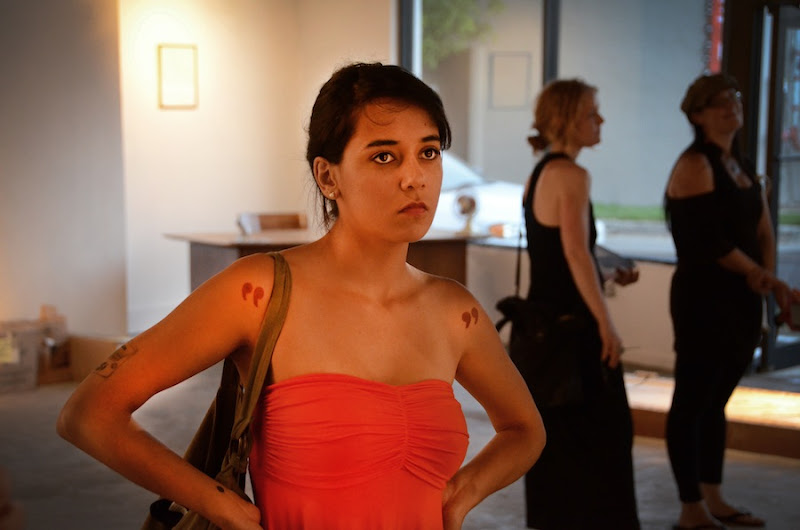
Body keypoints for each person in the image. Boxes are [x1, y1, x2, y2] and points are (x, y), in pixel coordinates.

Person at [56, 62, 545, 530]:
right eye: (384, 156)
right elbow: (90, 413)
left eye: (429, 152)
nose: (414, 177)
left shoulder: (454, 312)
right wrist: (219, 504)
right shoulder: (259, 292)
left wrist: (462, 494)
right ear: (328, 176)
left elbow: (524, 429)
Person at [664, 73, 795, 530]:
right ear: (698, 115)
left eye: (734, 98)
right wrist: (759, 275)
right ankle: (690, 507)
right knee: (692, 400)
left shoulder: (739, 163)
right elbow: (710, 242)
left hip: (741, 297)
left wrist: (769, 279)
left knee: (716, 399)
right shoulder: (695, 164)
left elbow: (762, 229)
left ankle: (714, 498)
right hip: (704, 299)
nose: (730, 106)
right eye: (718, 102)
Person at [520, 78, 641, 529]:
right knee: (605, 440)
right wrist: (607, 325)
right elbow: (574, 254)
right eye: (592, 113)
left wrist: (607, 271)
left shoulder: (539, 173)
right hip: (574, 334)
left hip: (544, 330)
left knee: (559, 443)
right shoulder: (572, 175)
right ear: (568, 119)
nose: (600, 120)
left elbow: (559, 257)